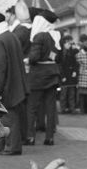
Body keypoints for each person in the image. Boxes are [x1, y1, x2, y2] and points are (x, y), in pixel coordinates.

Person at [0, 13, 29, 156]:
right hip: (15, 83)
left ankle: (12, 146)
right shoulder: (10, 36)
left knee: (8, 116)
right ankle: (6, 146)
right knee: (11, 115)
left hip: (7, 86)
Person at [25, 9, 61, 146]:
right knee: (50, 107)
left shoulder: (39, 36)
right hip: (53, 73)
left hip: (38, 75)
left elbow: (34, 57)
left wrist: (28, 60)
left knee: (32, 108)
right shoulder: (57, 35)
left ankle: (30, 137)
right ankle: (50, 137)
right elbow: (58, 57)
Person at [58, 34, 78, 114]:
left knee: (71, 93)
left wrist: (74, 71)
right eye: (68, 43)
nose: (70, 45)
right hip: (64, 75)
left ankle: (71, 108)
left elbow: (75, 63)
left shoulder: (72, 51)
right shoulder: (60, 53)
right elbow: (59, 65)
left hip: (71, 75)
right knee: (63, 93)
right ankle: (63, 108)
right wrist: (62, 76)